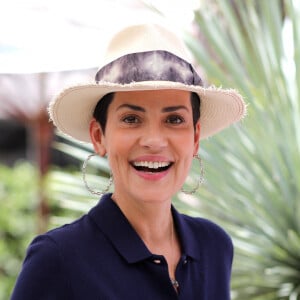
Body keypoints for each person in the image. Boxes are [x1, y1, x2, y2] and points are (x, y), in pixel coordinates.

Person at [11, 23, 246, 300]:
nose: (154, 141)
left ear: (195, 138)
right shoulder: (59, 259)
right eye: (131, 119)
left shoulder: (214, 246)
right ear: (99, 136)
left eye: (174, 119)